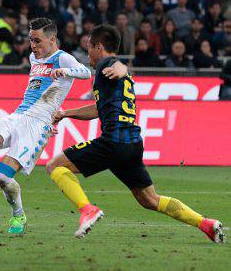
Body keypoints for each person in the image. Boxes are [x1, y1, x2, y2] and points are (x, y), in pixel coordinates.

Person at [0, 18, 127, 235]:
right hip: (18, 117)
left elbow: (85, 72)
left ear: (52, 39)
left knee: (3, 177)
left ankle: (18, 215)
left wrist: (66, 72)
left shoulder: (63, 58)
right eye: (30, 40)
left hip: (37, 127)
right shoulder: (33, 58)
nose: (33, 46)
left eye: (37, 41)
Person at [46, 24, 225, 243]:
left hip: (113, 141)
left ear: (99, 47)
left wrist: (121, 68)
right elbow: (97, 109)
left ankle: (87, 210)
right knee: (149, 199)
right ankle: (206, 224)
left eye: (89, 48)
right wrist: (67, 113)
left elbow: (118, 65)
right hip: (131, 143)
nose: (87, 54)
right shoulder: (112, 76)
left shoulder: (107, 64)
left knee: (55, 165)